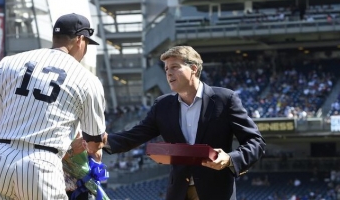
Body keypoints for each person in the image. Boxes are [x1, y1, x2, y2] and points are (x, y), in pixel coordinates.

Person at [0, 13, 107, 200]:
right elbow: (93, 140)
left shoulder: (11, 62)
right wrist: (97, 143)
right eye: (87, 43)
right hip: (42, 164)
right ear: (80, 40)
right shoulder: (87, 79)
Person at [102, 46, 266, 200]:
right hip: (179, 193)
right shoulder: (162, 105)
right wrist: (101, 141)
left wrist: (229, 159)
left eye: (174, 67)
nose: (169, 73)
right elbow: (136, 134)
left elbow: (255, 142)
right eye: (166, 69)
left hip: (217, 192)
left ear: (194, 68)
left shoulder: (224, 99)